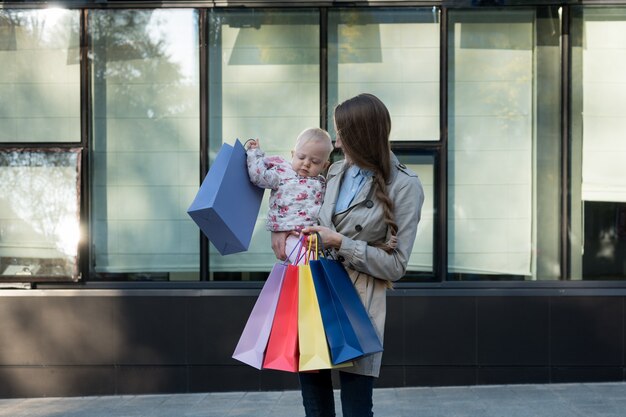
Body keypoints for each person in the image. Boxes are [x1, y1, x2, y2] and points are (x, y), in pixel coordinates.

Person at [271, 93, 425, 417]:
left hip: (358, 307)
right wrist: (282, 230)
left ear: (359, 136)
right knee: (315, 407)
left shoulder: (405, 186)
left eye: (341, 132)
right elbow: (297, 202)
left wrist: (341, 243)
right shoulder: (335, 171)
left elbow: (397, 265)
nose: (336, 139)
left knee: (356, 409)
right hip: (314, 296)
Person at [246, 127, 333, 264]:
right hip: (288, 235)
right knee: (308, 264)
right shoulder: (282, 173)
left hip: (313, 238)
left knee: (315, 268)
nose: (306, 163)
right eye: (301, 157)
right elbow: (258, 176)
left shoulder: (323, 183)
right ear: (293, 154)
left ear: (324, 165)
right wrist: (254, 153)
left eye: (315, 161)